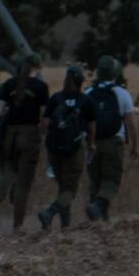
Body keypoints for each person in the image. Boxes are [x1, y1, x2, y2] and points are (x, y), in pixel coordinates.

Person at [0, 52, 49, 231]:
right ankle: (17, 225)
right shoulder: (41, 87)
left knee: (9, 173)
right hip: (29, 134)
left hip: (10, 136)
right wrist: (43, 135)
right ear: (37, 67)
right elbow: (43, 117)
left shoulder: (7, 85)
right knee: (23, 183)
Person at [37, 65, 95, 230]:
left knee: (63, 187)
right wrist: (91, 145)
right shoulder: (86, 101)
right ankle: (49, 213)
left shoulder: (56, 98)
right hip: (74, 149)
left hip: (55, 150)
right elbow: (91, 128)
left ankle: (65, 225)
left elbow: (44, 124)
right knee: (70, 189)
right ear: (80, 82)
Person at [84, 55, 138, 222]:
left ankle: (99, 220)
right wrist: (136, 145)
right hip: (113, 142)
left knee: (95, 180)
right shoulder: (122, 93)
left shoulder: (88, 92)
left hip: (91, 142)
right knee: (111, 180)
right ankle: (98, 209)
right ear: (115, 73)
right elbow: (131, 124)